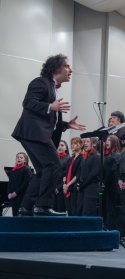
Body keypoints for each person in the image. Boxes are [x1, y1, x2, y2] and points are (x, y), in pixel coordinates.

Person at [12, 53, 86, 216]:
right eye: (67, 66)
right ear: (56, 67)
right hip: (34, 133)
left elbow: (49, 116)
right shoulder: (41, 82)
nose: (70, 70)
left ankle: (26, 207)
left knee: (44, 170)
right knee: (53, 166)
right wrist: (50, 107)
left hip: (34, 134)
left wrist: (66, 124)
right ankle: (43, 206)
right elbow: (28, 102)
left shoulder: (53, 88)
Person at [77, 137, 101, 216]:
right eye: (85, 141)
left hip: (91, 188)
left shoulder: (97, 156)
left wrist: (82, 185)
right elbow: (81, 171)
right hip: (83, 187)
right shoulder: (85, 155)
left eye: (88, 141)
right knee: (80, 210)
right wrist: (79, 183)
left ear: (93, 144)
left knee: (88, 211)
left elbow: (93, 174)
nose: (85, 143)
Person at [103, 135, 121, 230]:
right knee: (106, 208)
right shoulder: (106, 155)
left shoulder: (117, 155)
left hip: (112, 185)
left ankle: (111, 229)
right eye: (106, 139)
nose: (107, 141)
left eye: (109, 140)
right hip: (106, 185)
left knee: (111, 208)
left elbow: (112, 172)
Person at [63, 137, 83, 216]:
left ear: (80, 145)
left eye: (75, 143)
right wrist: (64, 184)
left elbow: (78, 174)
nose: (72, 146)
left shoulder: (82, 158)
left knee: (75, 210)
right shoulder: (70, 159)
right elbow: (65, 172)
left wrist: (68, 185)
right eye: (72, 144)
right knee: (69, 211)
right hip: (67, 187)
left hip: (74, 187)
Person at [53, 139, 70, 212]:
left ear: (66, 148)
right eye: (58, 145)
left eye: (62, 145)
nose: (59, 147)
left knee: (60, 210)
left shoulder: (68, 159)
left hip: (61, 188)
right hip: (53, 188)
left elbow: (66, 175)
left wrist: (58, 187)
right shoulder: (54, 158)